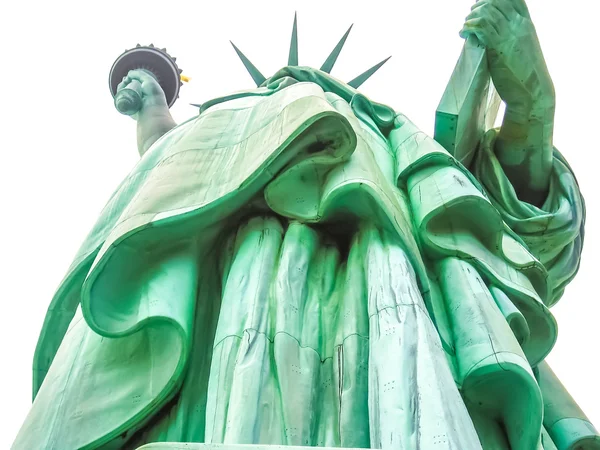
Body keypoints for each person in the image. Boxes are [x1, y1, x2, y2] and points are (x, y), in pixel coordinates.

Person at [14, 1, 593, 449]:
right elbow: (166, 186)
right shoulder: (220, 134)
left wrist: (531, 100)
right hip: (227, 313)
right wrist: (149, 103)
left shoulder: (385, 136)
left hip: (384, 287)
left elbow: (501, 217)